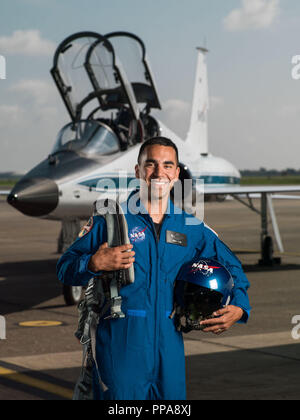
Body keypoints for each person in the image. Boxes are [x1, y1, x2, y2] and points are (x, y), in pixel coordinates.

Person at [56, 136, 251, 400]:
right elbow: (65, 267)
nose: (159, 173)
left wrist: (239, 307)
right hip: (121, 341)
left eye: (168, 165)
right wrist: (93, 263)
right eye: (151, 164)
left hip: (170, 341)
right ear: (138, 171)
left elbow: (232, 267)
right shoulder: (111, 221)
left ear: (176, 173)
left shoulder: (191, 227)